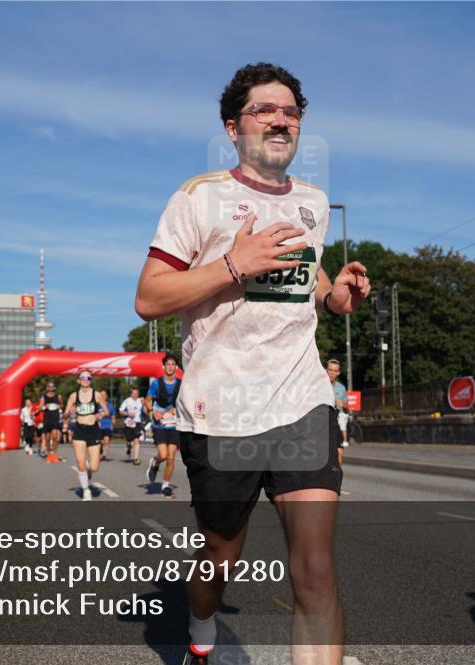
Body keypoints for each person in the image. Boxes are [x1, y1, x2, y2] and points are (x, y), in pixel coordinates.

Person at [135, 62, 371, 665]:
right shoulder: (199, 197)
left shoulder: (314, 203)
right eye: (265, 109)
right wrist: (234, 267)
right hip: (222, 411)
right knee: (219, 559)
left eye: (291, 111)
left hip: (301, 403)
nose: (280, 119)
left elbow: (310, 285)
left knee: (315, 571)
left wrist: (337, 294)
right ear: (233, 126)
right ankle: (202, 624)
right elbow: (150, 297)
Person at [67, 371, 109, 500]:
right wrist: (70, 411)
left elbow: (106, 411)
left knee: (95, 467)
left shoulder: (96, 395)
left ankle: (88, 469)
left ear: (91, 380)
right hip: (79, 429)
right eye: (83, 377)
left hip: (93, 430)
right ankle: (86, 491)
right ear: (78, 380)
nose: (85, 379)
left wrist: (99, 415)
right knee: (80, 464)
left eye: (88, 378)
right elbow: (65, 413)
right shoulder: (74, 396)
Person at [145, 354, 182, 498]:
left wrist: (176, 410)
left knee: (171, 458)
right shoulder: (156, 383)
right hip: (159, 424)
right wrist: (153, 412)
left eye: (173, 364)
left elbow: (184, 402)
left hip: (173, 423)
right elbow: (147, 400)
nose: (170, 367)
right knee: (163, 455)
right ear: (163, 367)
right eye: (168, 364)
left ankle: (165, 485)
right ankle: (155, 462)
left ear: (176, 367)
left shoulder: (180, 383)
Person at [327, 359, 349, 466]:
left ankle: (337, 480)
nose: (332, 373)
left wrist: (344, 404)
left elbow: (347, 408)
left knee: (339, 455)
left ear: (338, 373)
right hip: (321, 425)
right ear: (326, 370)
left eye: (335, 371)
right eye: (330, 370)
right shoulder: (319, 386)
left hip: (336, 424)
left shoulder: (341, 388)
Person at [119, 386, 145, 465]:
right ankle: (129, 448)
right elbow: (120, 411)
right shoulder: (127, 401)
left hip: (137, 423)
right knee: (129, 442)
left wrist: (144, 404)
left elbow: (146, 411)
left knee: (136, 440)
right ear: (131, 394)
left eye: (136, 393)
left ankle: (136, 459)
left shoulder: (141, 401)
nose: (135, 395)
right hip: (128, 423)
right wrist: (127, 413)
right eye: (133, 393)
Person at [39, 381, 63, 460]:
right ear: (47, 388)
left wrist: (59, 406)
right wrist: (44, 407)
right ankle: (49, 453)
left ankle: (55, 454)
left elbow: (62, 405)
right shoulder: (44, 397)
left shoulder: (58, 396)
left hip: (55, 418)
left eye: (52, 386)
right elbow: (39, 408)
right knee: (47, 438)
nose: (51, 388)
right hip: (47, 419)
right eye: (49, 386)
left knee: (55, 437)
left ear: (54, 388)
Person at [98, 389, 115, 461]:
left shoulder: (110, 406)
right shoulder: (96, 406)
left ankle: (104, 456)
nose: (102, 396)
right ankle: (100, 447)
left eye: (104, 395)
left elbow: (113, 415)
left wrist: (113, 421)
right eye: (101, 395)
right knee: (100, 441)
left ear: (106, 396)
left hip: (107, 425)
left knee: (107, 440)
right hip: (98, 425)